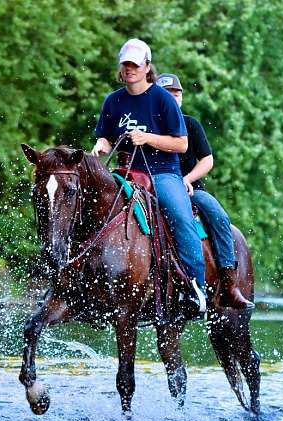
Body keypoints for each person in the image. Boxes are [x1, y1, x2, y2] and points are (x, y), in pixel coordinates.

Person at [91, 38, 206, 313]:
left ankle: (195, 288)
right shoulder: (113, 101)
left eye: (134, 64)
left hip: (163, 173)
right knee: (91, 204)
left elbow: (181, 144)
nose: (129, 69)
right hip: (125, 170)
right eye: (125, 64)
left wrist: (148, 138)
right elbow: (105, 136)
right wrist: (101, 145)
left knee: (180, 216)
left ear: (146, 67)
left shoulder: (162, 99)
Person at [156, 73, 254, 310]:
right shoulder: (149, 128)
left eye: (176, 94)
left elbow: (207, 160)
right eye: (167, 95)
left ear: (181, 98)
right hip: (153, 188)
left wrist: (187, 180)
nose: (173, 98)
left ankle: (229, 283)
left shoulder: (190, 124)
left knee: (218, 216)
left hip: (192, 190)